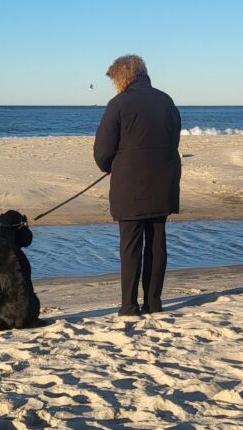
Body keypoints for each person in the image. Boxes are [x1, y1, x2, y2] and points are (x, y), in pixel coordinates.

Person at [94, 55, 181, 316]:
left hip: (130, 185)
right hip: (163, 181)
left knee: (131, 246)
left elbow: (103, 151)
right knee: (157, 243)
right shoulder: (165, 100)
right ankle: (153, 303)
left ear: (122, 76)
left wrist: (108, 165)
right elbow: (173, 139)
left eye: (114, 80)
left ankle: (129, 306)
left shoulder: (118, 104)